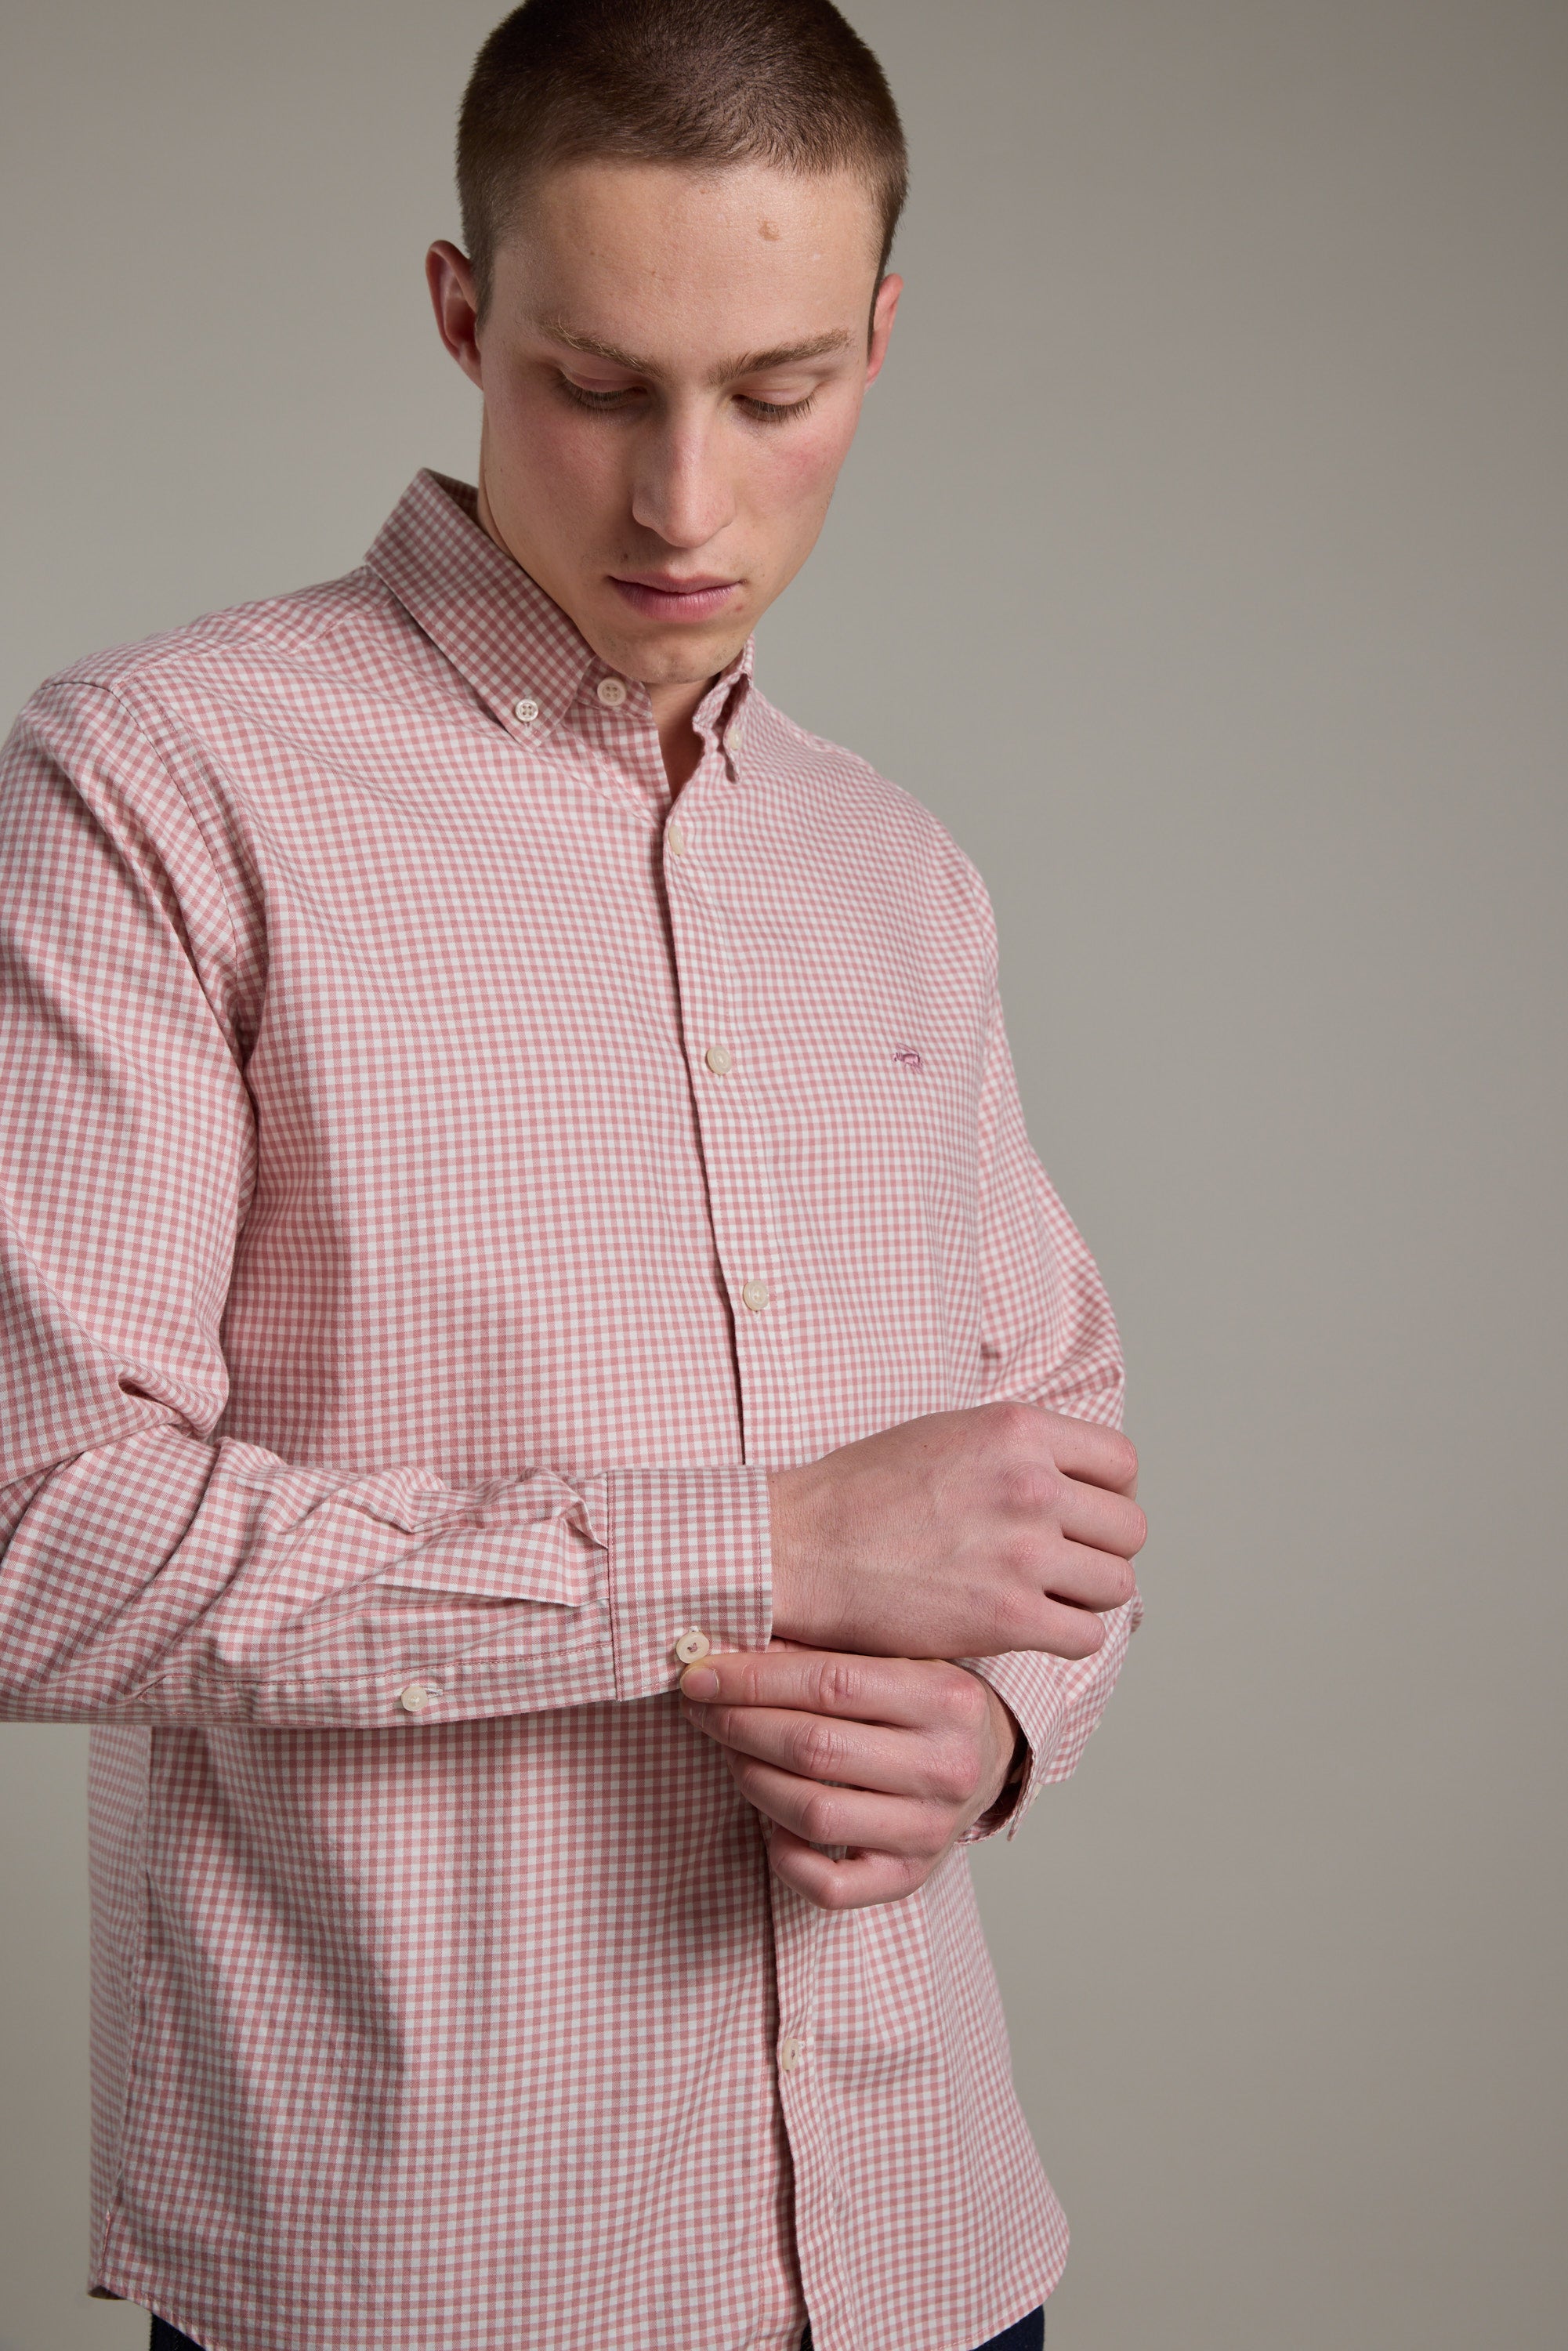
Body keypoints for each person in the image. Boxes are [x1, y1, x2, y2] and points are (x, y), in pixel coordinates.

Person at [0, 3, 1146, 2346]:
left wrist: (1002, 1721)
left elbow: (1057, 1455)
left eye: (777, 390)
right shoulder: (159, 782)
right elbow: (30, 1529)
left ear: (879, 341)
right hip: (433, 2270)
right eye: (597, 384)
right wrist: (774, 1546)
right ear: (460, 314)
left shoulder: (888, 869)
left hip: (928, 2247)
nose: (682, 504)